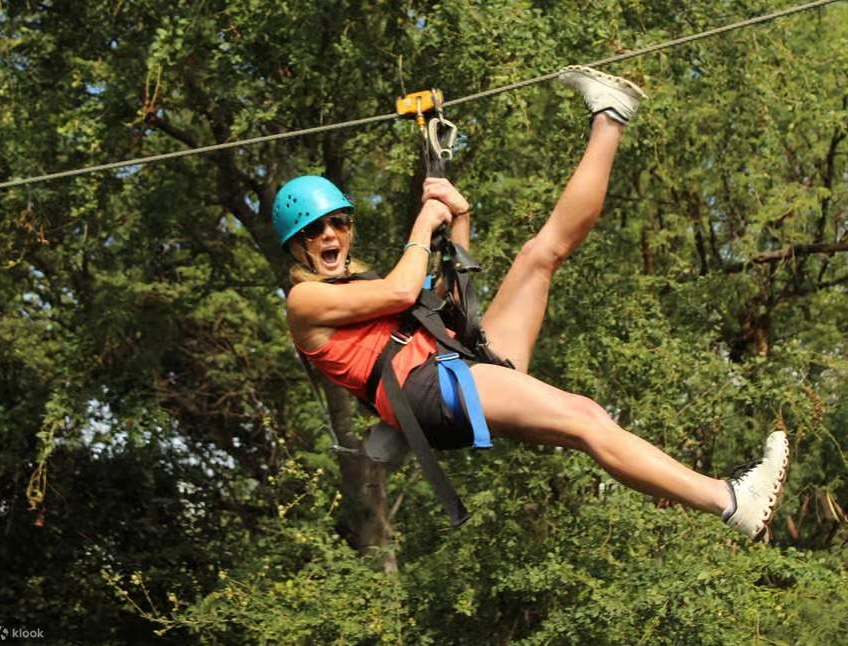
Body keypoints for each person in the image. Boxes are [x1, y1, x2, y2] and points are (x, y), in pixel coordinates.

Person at [275, 66, 789, 539]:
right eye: (313, 231)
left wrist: (459, 217)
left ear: (348, 228)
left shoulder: (357, 288)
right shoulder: (305, 302)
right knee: (587, 417)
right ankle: (729, 500)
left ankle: (611, 114)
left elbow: (446, 304)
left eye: (337, 223)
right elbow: (402, 291)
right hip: (429, 389)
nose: (328, 235)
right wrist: (421, 222)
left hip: (452, 364)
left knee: (540, 254)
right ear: (297, 247)